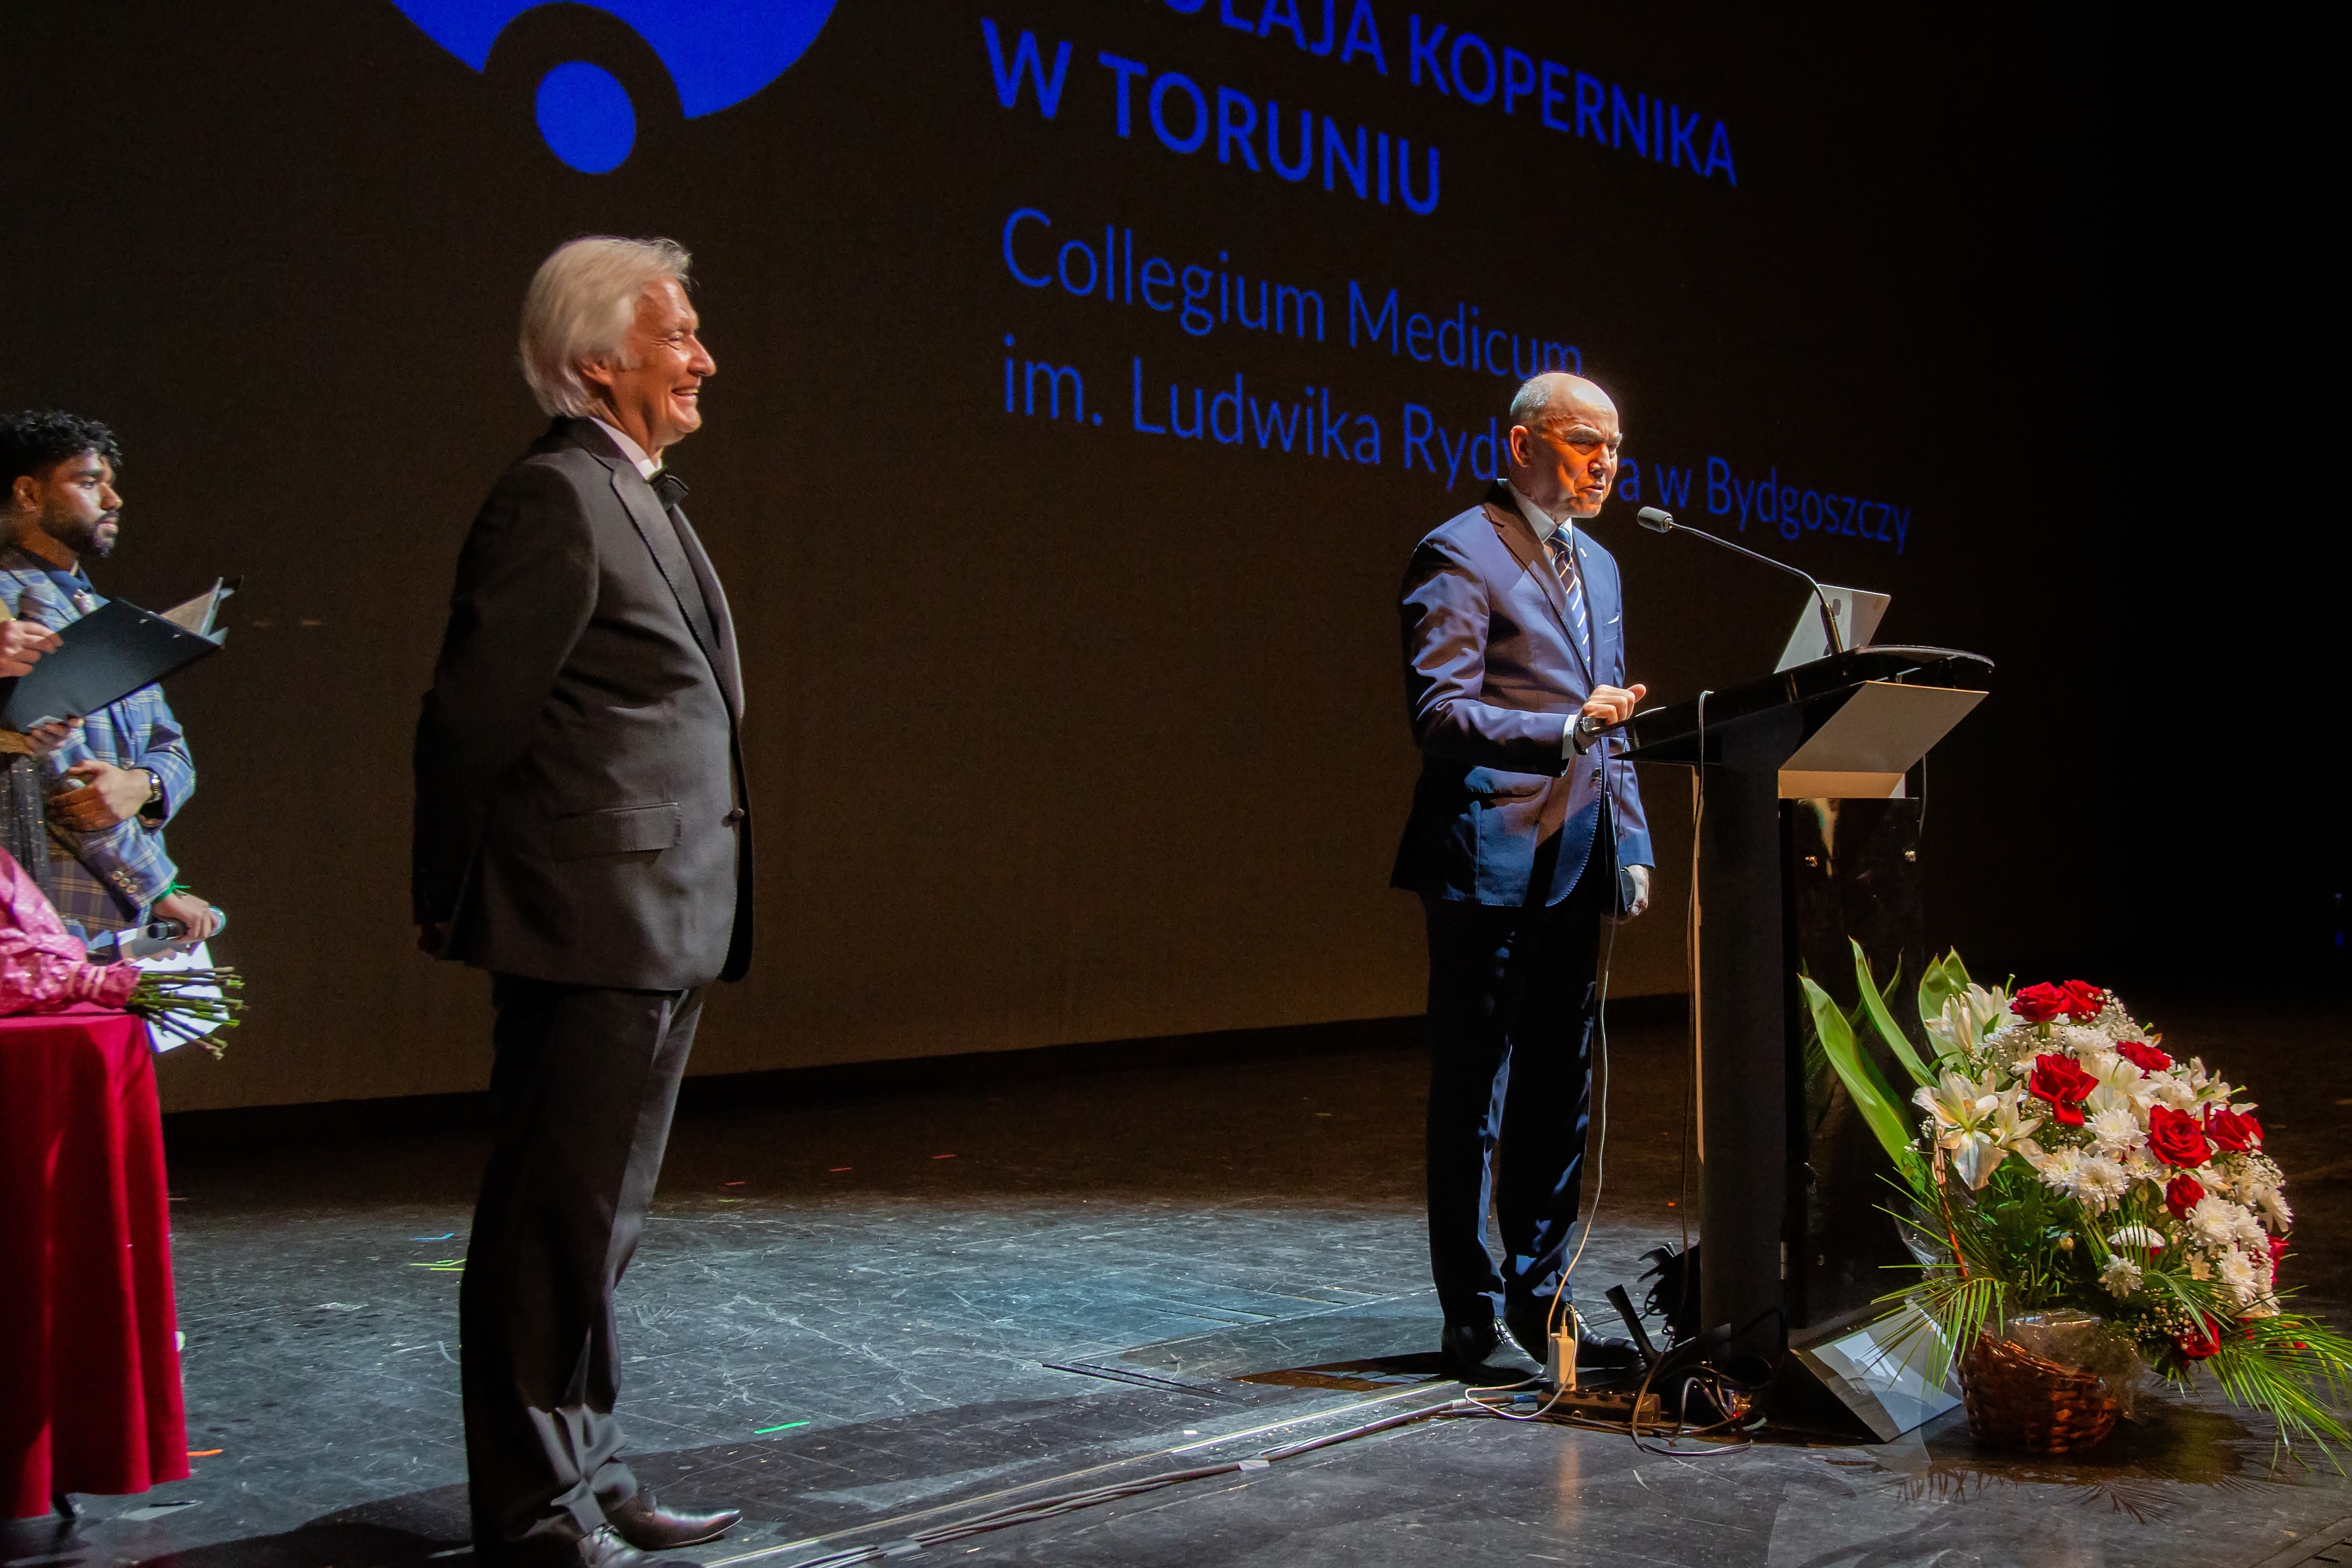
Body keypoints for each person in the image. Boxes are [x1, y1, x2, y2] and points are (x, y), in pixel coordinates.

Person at [413, 236, 753, 1568]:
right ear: (597, 359)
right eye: (677, 335)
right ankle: (531, 1510)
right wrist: (450, 893)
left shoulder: (634, 491)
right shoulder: (552, 497)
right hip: (587, 916)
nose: (702, 358)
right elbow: (470, 719)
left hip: (657, 915)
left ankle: (588, 1470)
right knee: (549, 1225)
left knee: (597, 1225)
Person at [1390, 372, 1657, 1384]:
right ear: (1521, 444)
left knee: (1558, 1090)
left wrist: (1631, 839)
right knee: (1475, 1091)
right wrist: (1560, 729)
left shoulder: (1602, 566)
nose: (1604, 463)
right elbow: (1439, 712)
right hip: (1488, 858)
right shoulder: (1459, 550)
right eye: (1584, 441)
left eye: (1614, 447)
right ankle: (1468, 1310)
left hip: (1579, 857)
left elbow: (1611, 718)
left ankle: (1541, 1294)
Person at [0, 411, 219, 946]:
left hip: (122, 904)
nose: (113, 500)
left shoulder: (103, 613)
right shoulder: (8, 603)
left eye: (110, 483)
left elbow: (171, 744)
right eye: (88, 481)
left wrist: (145, 785)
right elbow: (54, 769)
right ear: (28, 493)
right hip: (51, 895)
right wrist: (155, 883)